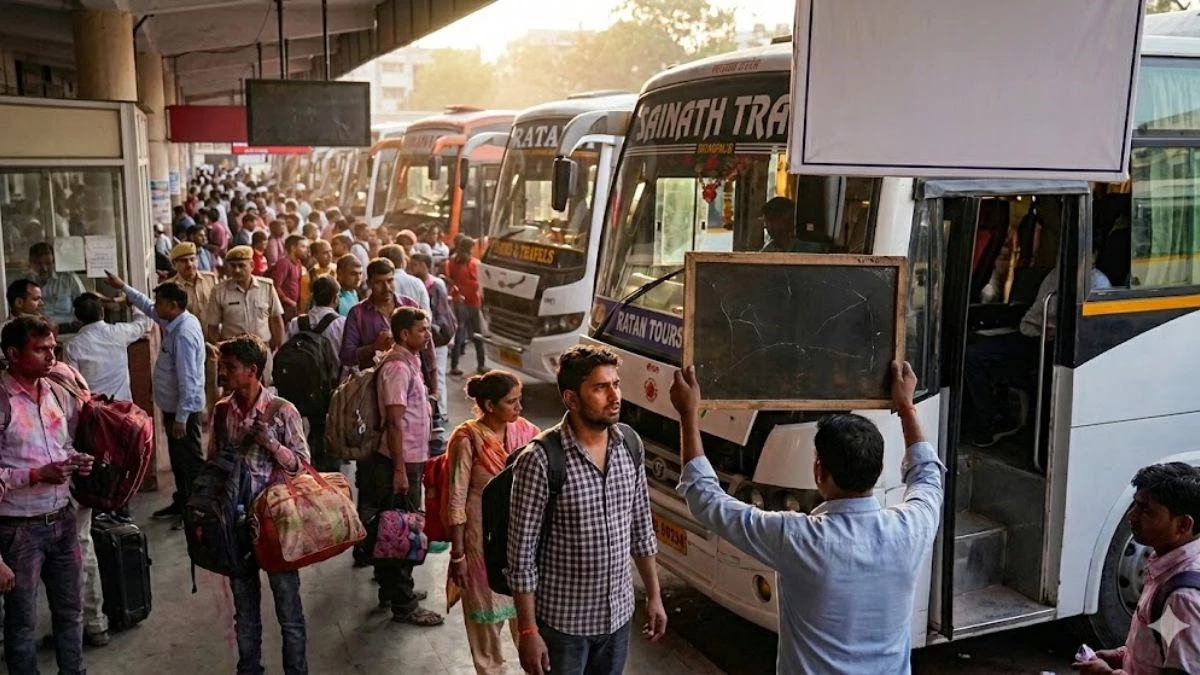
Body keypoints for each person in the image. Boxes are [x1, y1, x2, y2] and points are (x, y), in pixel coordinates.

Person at [670, 361, 942, 674]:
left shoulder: (798, 539)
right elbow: (927, 475)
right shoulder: (910, 529)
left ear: (819, 472)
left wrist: (688, 414)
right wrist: (906, 407)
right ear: (880, 470)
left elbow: (705, 499)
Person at [509, 345, 666, 675]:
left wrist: (654, 596)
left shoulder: (630, 445)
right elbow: (520, 558)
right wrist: (528, 631)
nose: (614, 396)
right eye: (600, 387)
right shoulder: (540, 460)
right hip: (563, 628)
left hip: (618, 619)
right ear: (571, 399)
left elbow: (641, 529)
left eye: (616, 384)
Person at [0, 315, 96, 674]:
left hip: (61, 518)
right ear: (13, 353)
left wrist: (75, 462)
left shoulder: (56, 390)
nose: (50, 357)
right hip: (18, 528)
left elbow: (62, 443)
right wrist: (36, 475)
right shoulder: (3, 400)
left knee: (71, 614)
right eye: (39, 350)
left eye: (52, 348)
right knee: (22, 623)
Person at [209, 334, 310, 675]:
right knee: (245, 612)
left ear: (252, 370)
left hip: (276, 523)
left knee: (289, 610)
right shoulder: (222, 411)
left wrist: (269, 442)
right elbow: (213, 463)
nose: (223, 373)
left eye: (230, 367)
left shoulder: (283, 411)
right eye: (222, 366)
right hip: (235, 526)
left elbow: (301, 465)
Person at [62, 292, 152, 646]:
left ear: (77, 318)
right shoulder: (117, 333)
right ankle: (120, 520)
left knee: (91, 502)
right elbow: (146, 321)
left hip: (93, 429)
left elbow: (75, 393)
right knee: (119, 482)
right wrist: (127, 297)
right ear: (102, 312)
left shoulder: (73, 349)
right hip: (124, 422)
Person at [963, 252, 1112, 447]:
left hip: (1047, 344)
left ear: (1093, 257)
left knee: (974, 357)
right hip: (1030, 333)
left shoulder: (1096, 283)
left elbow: (1083, 327)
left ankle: (996, 419)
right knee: (969, 346)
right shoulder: (1056, 273)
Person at [447, 370, 540, 674]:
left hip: (521, 543)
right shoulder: (467, 439)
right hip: (478, 547)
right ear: (489, 405)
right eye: (511, 402)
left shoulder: (528, 434)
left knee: (529, 623)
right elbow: (456, 500)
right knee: (486, 631)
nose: (519, 408)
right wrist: (458, 555)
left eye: (520, 400)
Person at [1072, 463, 1200, 675]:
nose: (1132, 516)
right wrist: (1125, 655)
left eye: (1146, 510)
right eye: (1135, 505)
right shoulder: (1168, 565)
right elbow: (1167, 644)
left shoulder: (1183, 598)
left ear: (1183, 525)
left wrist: (1107, 674)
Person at [361, 306, 443, 626]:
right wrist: (398, 470)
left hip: (410, 459)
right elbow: (394, 424)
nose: (427, 334)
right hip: (399, 461)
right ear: (405, 334)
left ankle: (391, 590)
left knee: (391, 526)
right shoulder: (396, 367)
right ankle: (404, 603)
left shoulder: (410, 361)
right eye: (422, 330)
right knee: (401, 530)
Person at [106, 274, 207, 530]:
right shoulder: (176, 320)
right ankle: (182, 501)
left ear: (173, 306)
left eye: (160, 303)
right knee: (179, 460)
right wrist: (124, 287)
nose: (156, 307)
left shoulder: (183, 333)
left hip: (183, 410)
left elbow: (189, 380)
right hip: (174, 407)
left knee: (190, 463)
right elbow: (147, 308)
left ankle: (195, 512)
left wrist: (182, 418)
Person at [339, 258, 433, 379]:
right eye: (379, 282)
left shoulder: (409, 305)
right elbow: (346, 356)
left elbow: (428, 347)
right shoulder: (357, 313)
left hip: (412, 381)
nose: (386, 287)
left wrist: (434, 387)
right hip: (373, 386)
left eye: (390, 281)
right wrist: (374, 347)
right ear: (369, 284)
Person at [165, 241, 220, 413]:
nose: (189, 264)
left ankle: (213, 426)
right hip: (187, 347)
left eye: (192, 259)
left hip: (212, 343)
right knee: (189, 386)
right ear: (175, 264)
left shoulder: (210, 279)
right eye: (183, 261)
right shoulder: (170, 288)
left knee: (213, 387)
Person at [208, 245, 285, 358]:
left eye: (241, 265)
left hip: (262, 350)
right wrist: (222, 351)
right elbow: (213, 327)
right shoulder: (219, 291)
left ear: (252, 265)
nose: (237, 270)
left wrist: (278, 347)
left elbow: (276, 320)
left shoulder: (266, 287)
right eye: (233, 266)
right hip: (234, 355)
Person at [409, 252, 453, 434]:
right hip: (426, 336)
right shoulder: (419, 284)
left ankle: (440, 413)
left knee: (438, 374)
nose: (412, 268)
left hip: (437, 337)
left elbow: (442, 314)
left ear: (423, 265)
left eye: (414, 265)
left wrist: (433, 331)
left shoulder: (437, 285)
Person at [445, 237, 485, 376]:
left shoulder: (452, 261)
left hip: (459, 301)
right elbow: (480, 283)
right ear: (471, 248)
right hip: (473, 301)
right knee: (477, 333)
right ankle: (481, 365)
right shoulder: (475, 263)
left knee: (459, 333)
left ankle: (454, 366)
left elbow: (449, 278)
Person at [26, 242, 86, 328]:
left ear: (54, 262)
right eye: (39, 264)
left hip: (68, 328)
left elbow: (84, 305)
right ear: (30, 263)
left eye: (48, 263)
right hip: (38, 330)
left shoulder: (69, 279)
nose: (44, 268)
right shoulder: (26, 282)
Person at [271, 235, 308, 323]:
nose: (306, 250)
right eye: (303, 246)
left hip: (293, 308)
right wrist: (289, 301)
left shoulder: (298, 263)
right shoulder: (283, 263)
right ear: (293, 248)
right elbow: (275, 286)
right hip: (283, 308)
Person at [297, 240, 336, 314]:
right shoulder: (309, 276)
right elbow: (304, 302)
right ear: (315, 255)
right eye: (325, 253)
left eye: (330, 251)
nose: (330, 255)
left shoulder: (337, 270)